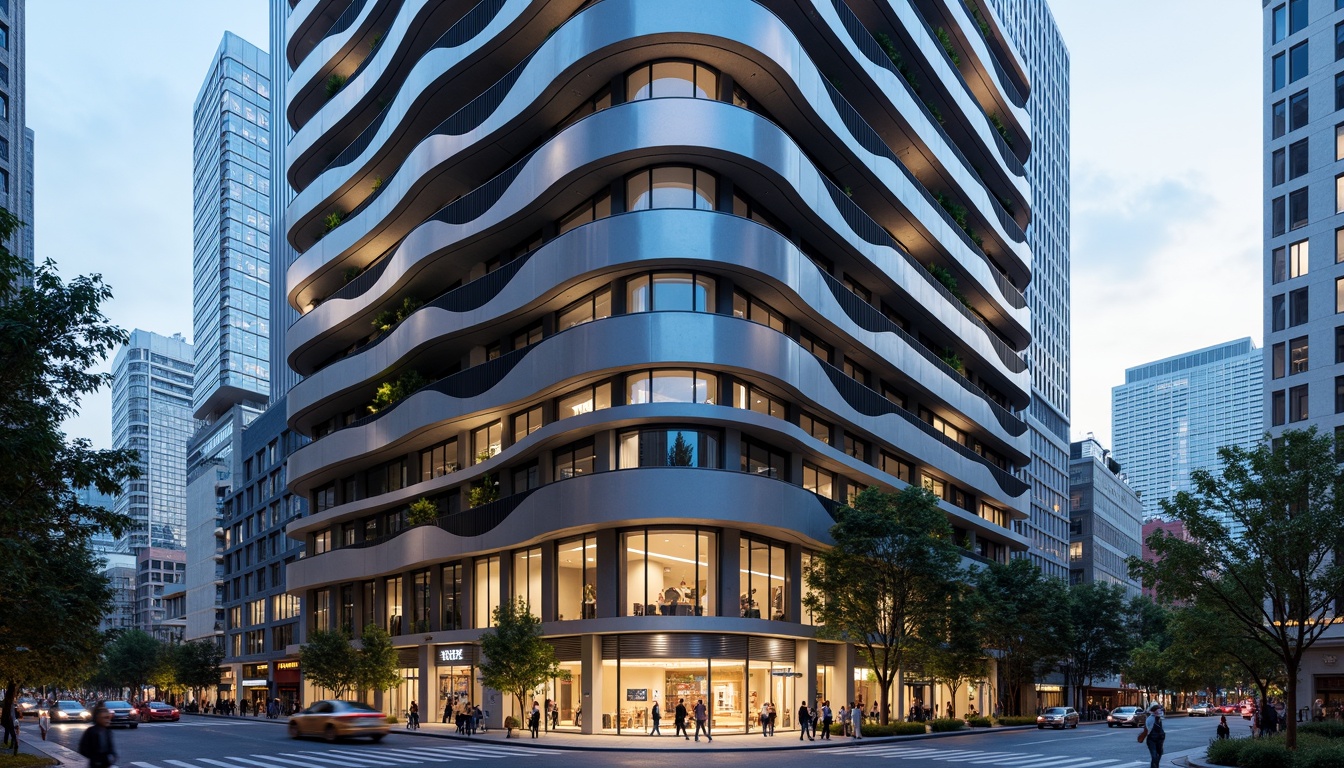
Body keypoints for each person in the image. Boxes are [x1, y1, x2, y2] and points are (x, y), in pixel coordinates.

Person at [1139, 703, 1165, 768]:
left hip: (1159, 740)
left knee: (1158, 754)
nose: (1160, 712)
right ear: (1154, 711)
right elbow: (1146, 730)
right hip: (1152, 740)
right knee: (1154, 756)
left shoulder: (1159, 718)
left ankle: (1155, 766)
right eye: (1158, 711)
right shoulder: (1150, 719)